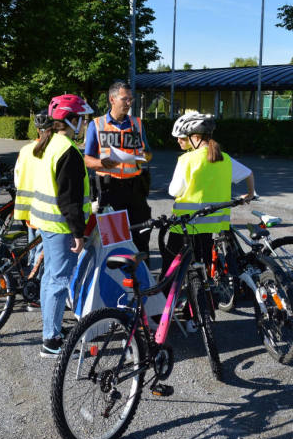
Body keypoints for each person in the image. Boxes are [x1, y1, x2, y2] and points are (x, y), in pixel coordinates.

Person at [161, 112, 255, 298]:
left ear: (194, 137)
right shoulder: (224, 158)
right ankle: (193, 319)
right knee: (200, 272)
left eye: (184, 137)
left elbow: (174, 191)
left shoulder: (187, 160)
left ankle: (159, 314)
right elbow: (248, 173)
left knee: (169, 271)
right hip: (211, 227)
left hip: (185, 227)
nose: (181, 140)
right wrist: (250, 193)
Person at [30, 94, 93, 358]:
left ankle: (51, 330)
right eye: (81, 119)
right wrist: (78, 232)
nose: (84, 124)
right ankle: (51, 342)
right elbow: (70, 198)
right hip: (60, 226)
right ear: (71, 120)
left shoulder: (49, 143)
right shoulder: (68, 151)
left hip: (46, 222)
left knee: (49, 279)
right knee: (58, 281)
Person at [84, 81, 153, 258]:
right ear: (112, 99)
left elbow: (149, 153)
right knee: (113, 239)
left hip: (135, 188)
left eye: (131, 99)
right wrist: (101, 164)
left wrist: (143, 157)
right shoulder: (96, 124)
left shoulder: (137, 123)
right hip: (109, 189)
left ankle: (143, 282)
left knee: (141, 236)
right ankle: (115, 280)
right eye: (125, 99)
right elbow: (87, 159)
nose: (129, 103)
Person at [13, 110, 49, 310]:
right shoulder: (50, 150)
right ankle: (35, 294)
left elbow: (17, 179)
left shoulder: (25, 150)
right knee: (43, 255)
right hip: (46, 211)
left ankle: (32, 288)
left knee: (34, 250)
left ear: (36, 129)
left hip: (28, 210)